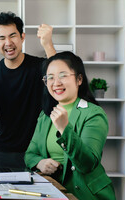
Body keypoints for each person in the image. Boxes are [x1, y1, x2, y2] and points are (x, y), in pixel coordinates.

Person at [0, 11, 56, 169]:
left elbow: (60, 78)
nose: (8, 42)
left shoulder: (39, 66)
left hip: (39, 151)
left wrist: (48, 45)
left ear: (22, 37)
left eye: (13, 36)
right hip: (5, 152)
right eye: (1, 38)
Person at [25, 51, 115, 199]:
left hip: (84, 193)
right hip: (52, 191)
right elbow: (30, 154)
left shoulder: (94, 114)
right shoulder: (46, 115)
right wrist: (40, 163)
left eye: (63, 75)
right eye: (50, 78)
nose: (56, 83)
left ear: (79, 79)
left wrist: (64, 129)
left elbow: (87, 164)